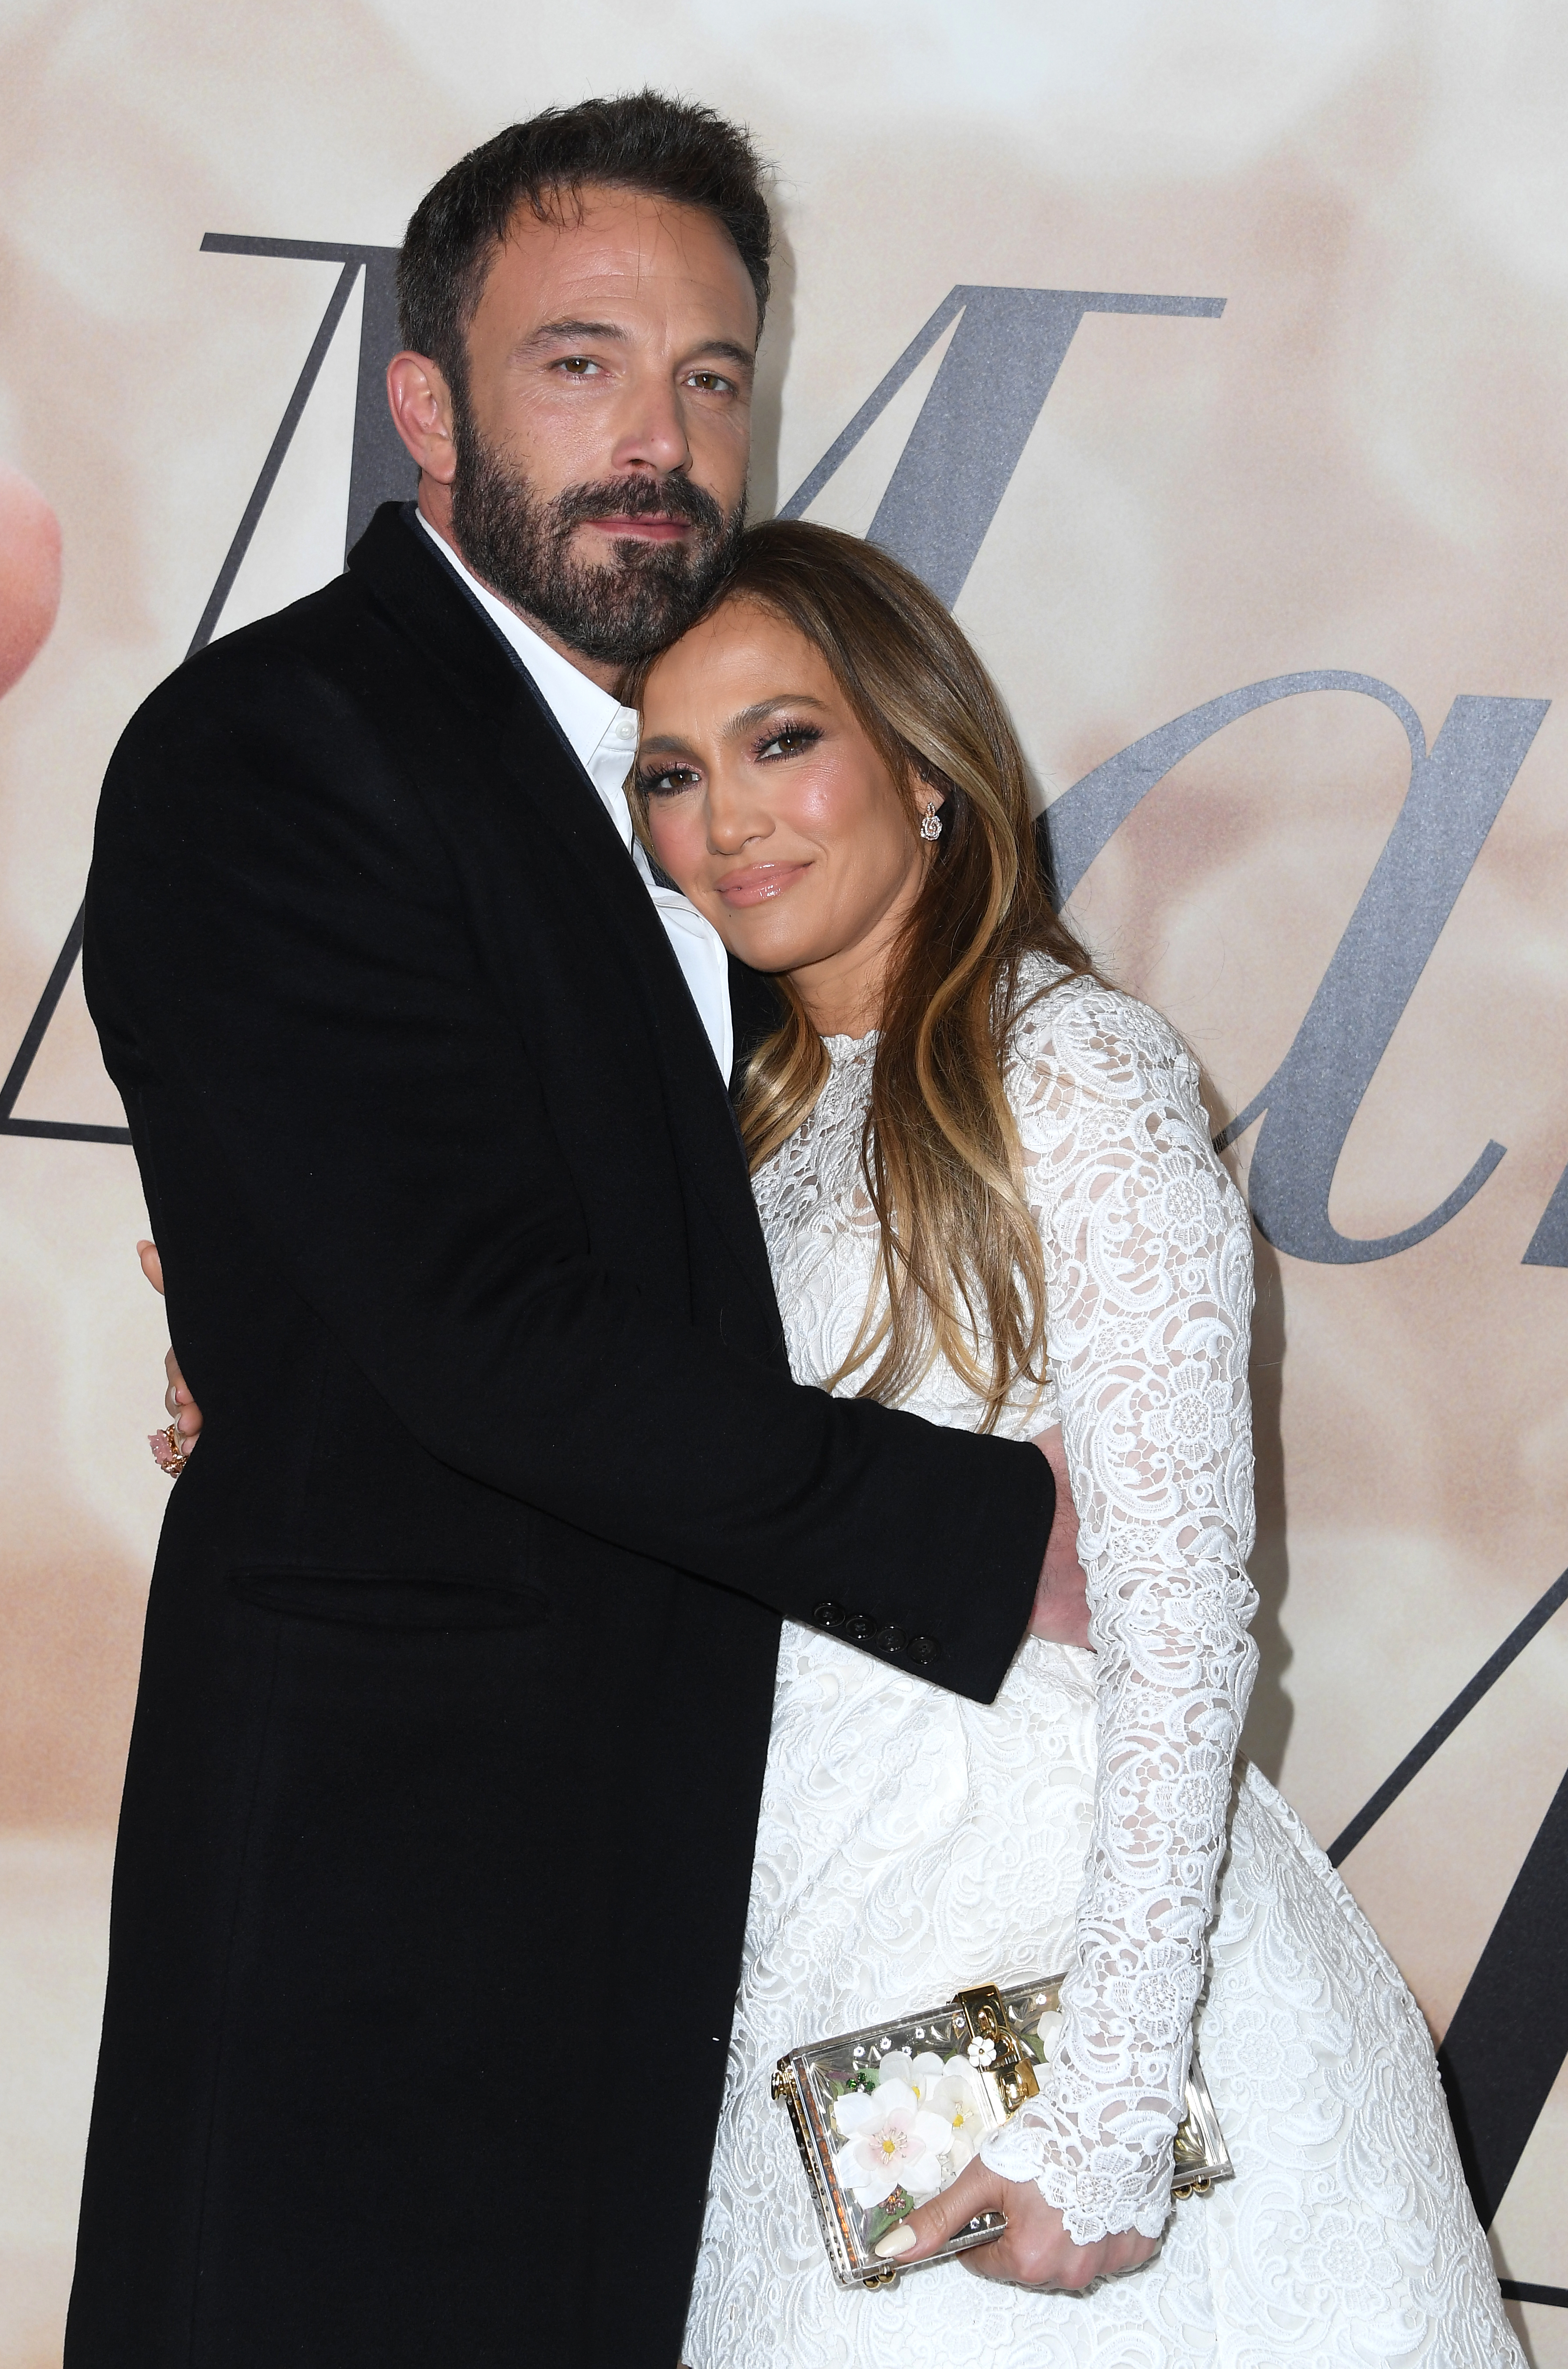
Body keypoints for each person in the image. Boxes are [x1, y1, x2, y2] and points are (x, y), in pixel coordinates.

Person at [70, 97, 1077, 2369]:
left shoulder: (713, 792)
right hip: (385, 1914)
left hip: (687, 1878)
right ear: (424, 404)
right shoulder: (277, 752)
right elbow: (484, 1331)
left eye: (712, 377)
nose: (661, 438)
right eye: (583, 364)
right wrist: (993, 1538)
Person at [619, 521, 1521, 2367]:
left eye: (783, 742)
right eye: (671, 773)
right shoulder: (742, 1129)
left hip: (1033, 1978)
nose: (727, 823)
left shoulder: (1071, 1068)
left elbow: (1183, 1618)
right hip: (796, 1958)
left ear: (927, 767)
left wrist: (1105, 2121)